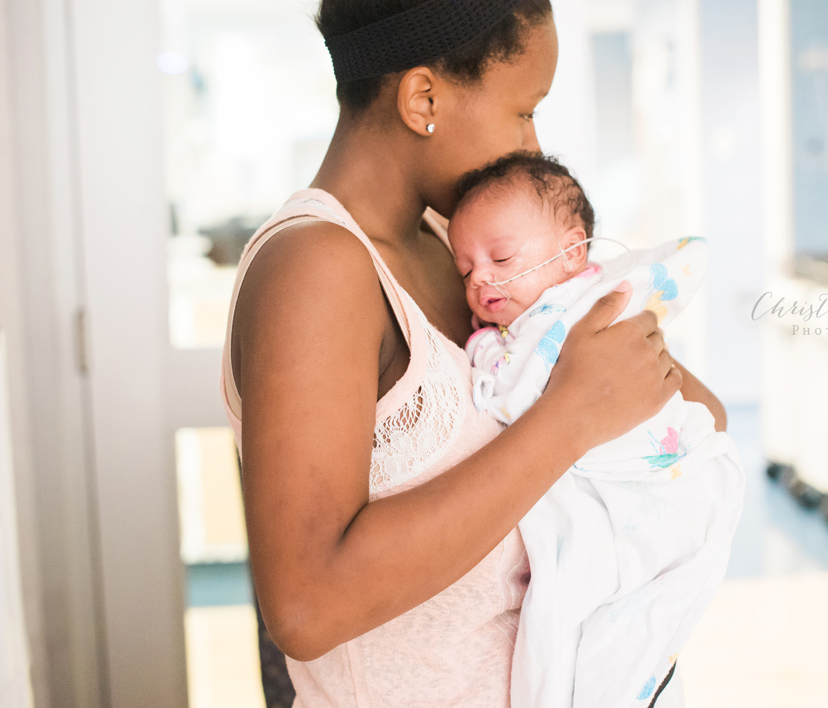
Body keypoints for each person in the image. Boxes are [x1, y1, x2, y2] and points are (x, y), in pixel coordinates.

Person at [219, 1, 728, 706]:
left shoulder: (452, 247)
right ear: (423, 97)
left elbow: (690, 410)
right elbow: (307, 606)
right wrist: (572, 416)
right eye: (524, 110)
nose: (533, 140)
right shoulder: (317, 266)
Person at [447, 151, 745, 708]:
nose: (480, 276)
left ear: (573, 250)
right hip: (583, 490)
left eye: (502, 256)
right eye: (465, 270)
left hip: (641, 478)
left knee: (608, 625)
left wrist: (494, 361)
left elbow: (522, 394)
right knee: (588, 636)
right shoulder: (516, 327)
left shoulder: (589, 304)